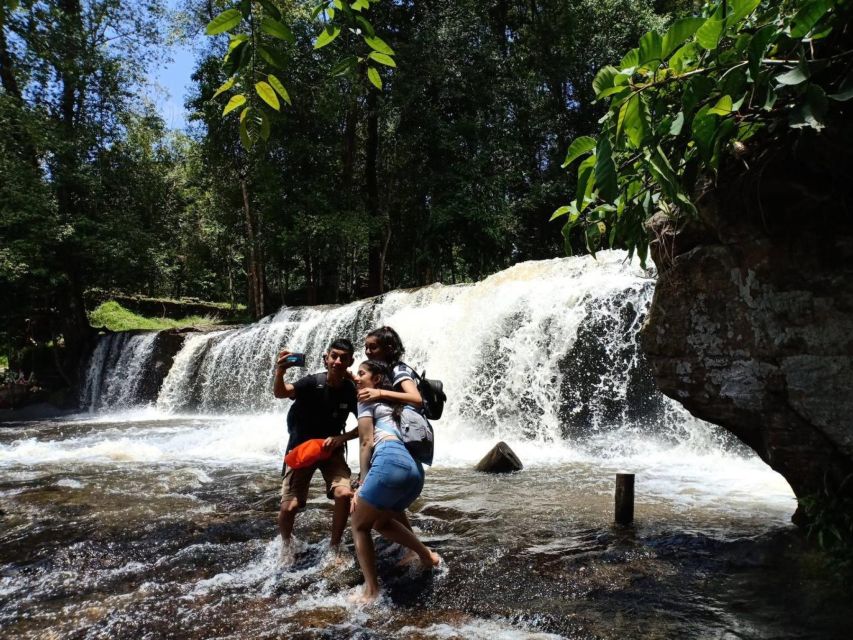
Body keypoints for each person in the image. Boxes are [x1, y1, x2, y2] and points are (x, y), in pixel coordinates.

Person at [350, 359, 440, 603]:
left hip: (389, 462)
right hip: (415, 472)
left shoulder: (366, 399)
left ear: (376, 379)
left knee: (359, 524)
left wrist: (361, 484)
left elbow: (366, 442)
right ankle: (426, 556)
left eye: (361, 373)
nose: (356, 378)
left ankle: (371, 590)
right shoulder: (396, 403)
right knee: (380, 521)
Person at [273, 338, 359, 562]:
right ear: (326, 358)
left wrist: (343, 437)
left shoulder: (350, 391)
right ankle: (286, 545)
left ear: (350, 361)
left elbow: (366, 424)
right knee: (290, 506)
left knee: (344, 494)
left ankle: (335, 546)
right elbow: (281, 393)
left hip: (331, 449)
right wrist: (280, 372)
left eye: (343, 358)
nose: (338, 361)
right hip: (302, 448)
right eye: (334, 356)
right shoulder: (311, 383)